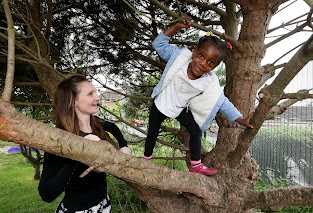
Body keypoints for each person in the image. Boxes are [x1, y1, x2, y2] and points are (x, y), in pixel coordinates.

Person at [143, 14, 253, 176]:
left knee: (195, 132)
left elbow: (222, 102)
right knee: (152, 132)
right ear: (194, 53)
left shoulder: (209, 82)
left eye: (211, 62)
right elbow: (158, 43)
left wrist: (241, 119)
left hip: (180, 108)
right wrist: (177, 26)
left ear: (215, 67)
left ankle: (196, 164)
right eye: (201, 56)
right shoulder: (178, 58)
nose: (203, 64)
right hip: (161, 104)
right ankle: (146, 160)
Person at [38, 75, 130, 212]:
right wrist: (79, 153)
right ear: (74, 101)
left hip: (104, 205)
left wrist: (124, 146)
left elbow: (113, 127)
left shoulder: (96, 124)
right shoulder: (60, 138)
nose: (97, 97)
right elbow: (46, 194)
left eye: (96, 92)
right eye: (90, 94)